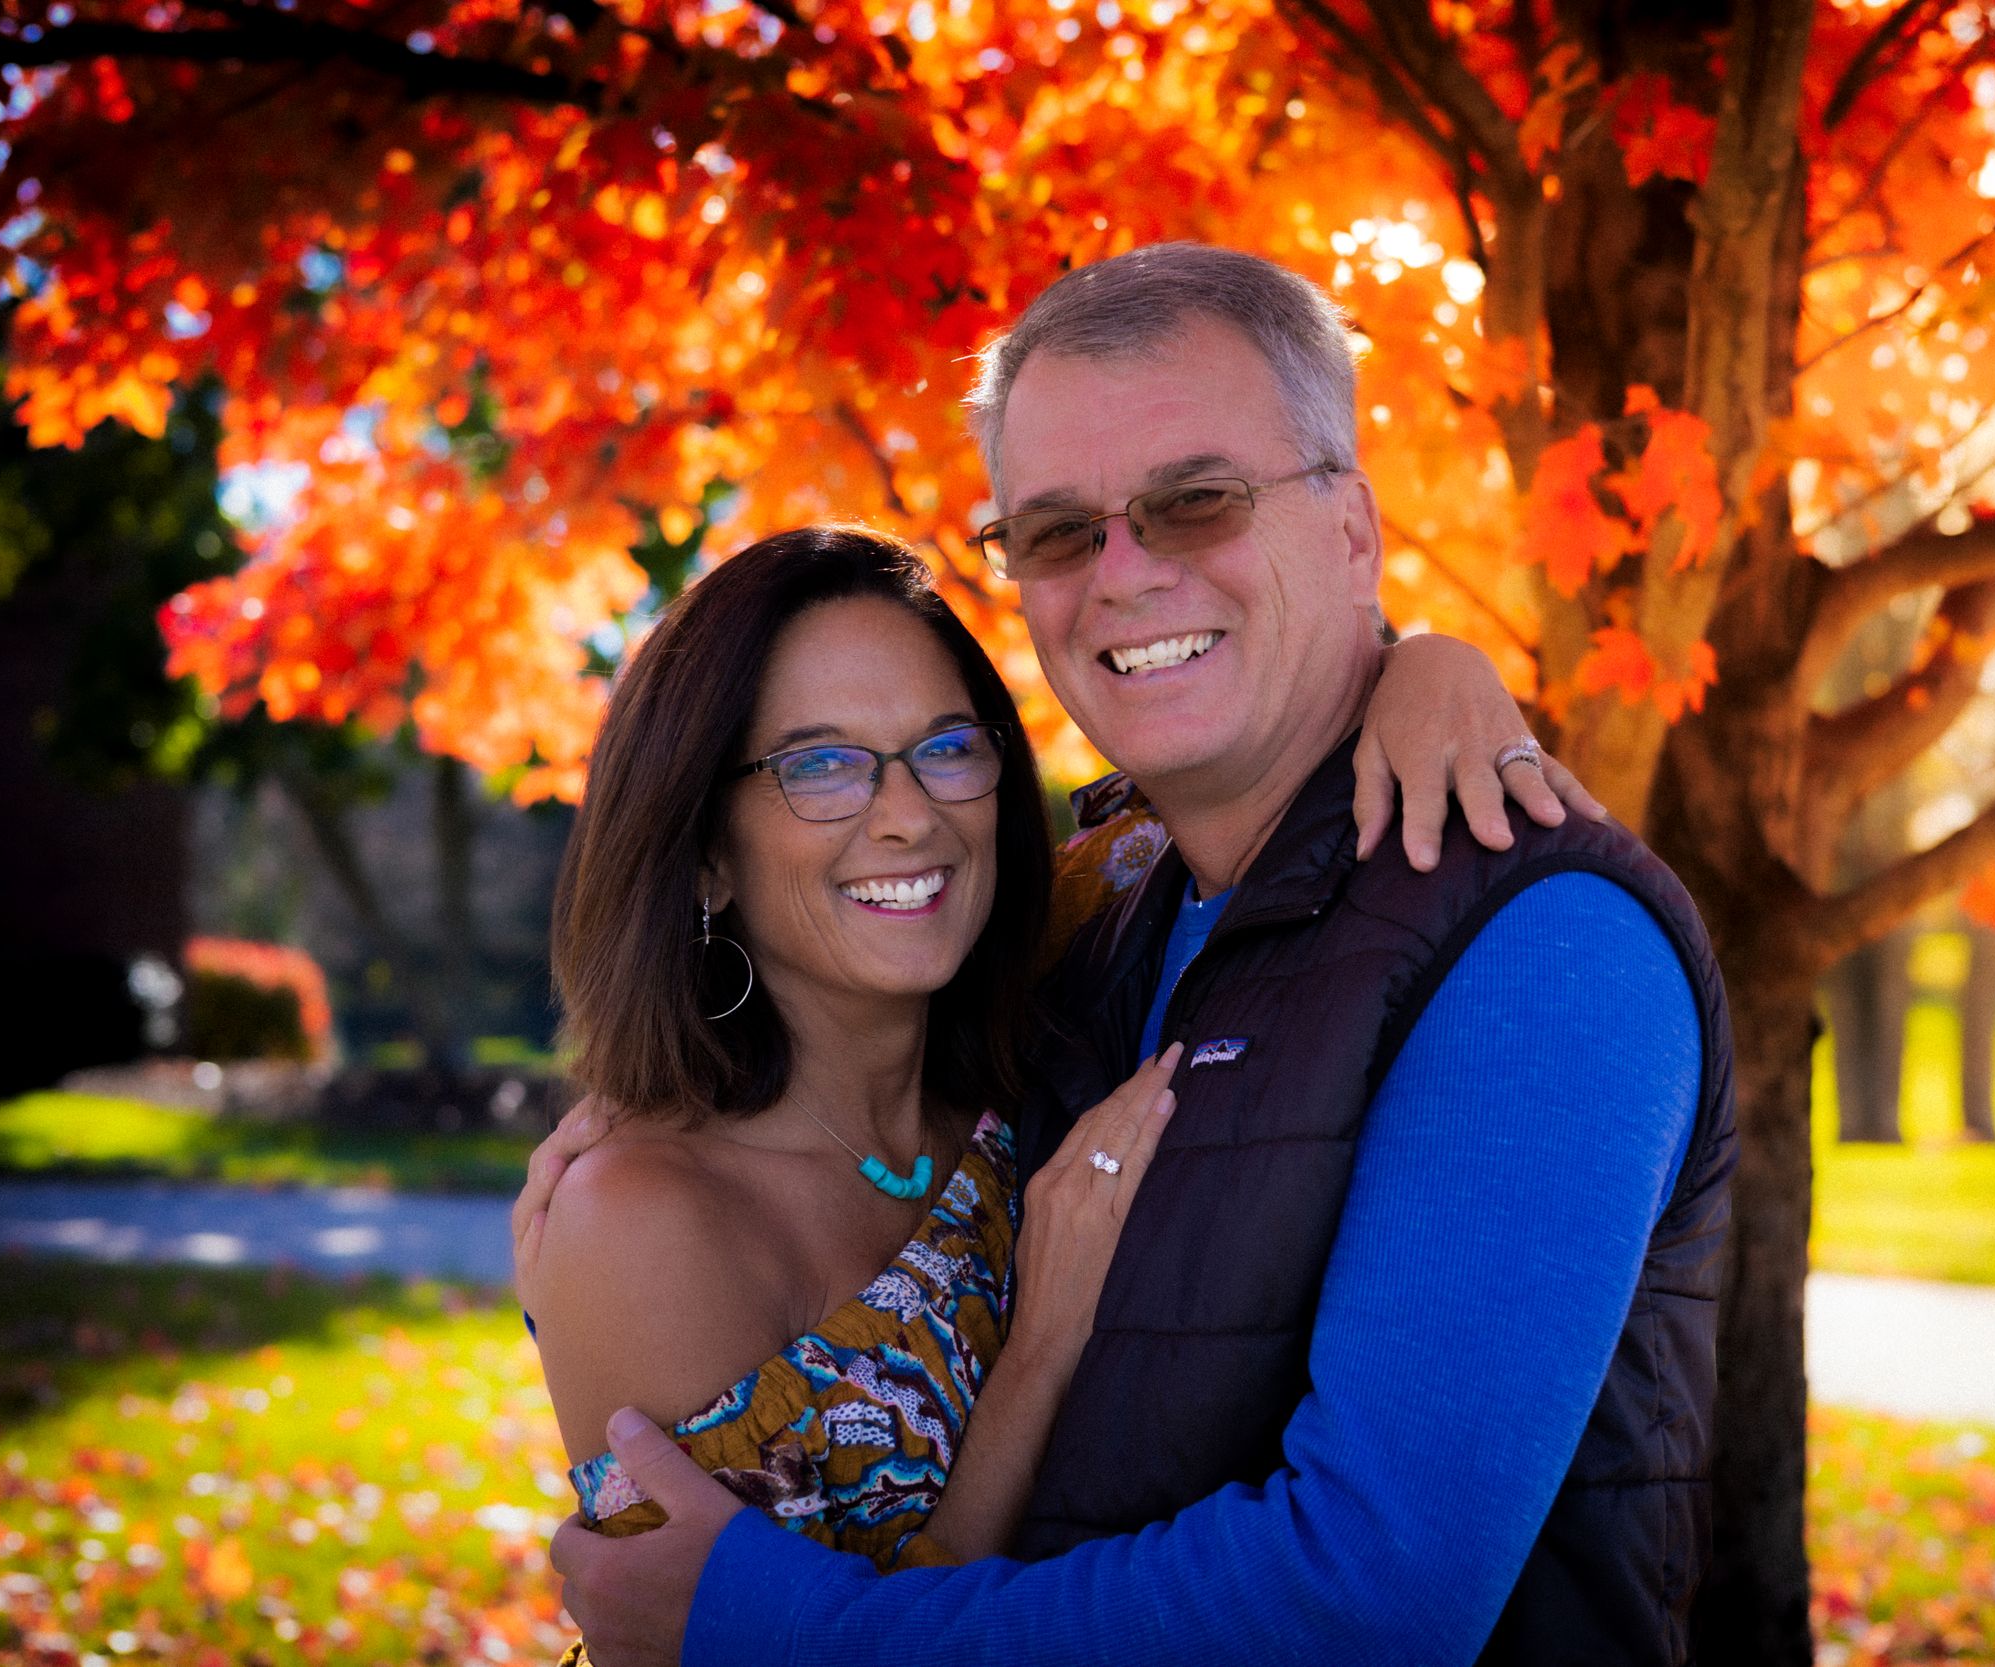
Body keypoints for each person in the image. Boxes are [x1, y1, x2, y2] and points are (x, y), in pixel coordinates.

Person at [527, 243, 1735, 1666]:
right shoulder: (1102, 913)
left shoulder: (1546, 952)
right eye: (1054, 531)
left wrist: (769, 1617)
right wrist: (638, 1151)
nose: (1124, 574)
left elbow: (1367, 1600)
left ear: (1353, 528)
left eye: (1197, 500)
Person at [522, 528, 1578, 1603]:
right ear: (703, 849)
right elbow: (785, 1637)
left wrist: (1432, 663)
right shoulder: (643, 1219)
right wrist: (1043, 1341)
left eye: (945, 746)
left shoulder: (1059, 991)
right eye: (820, 765)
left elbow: (1245, 787)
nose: (908, 816)